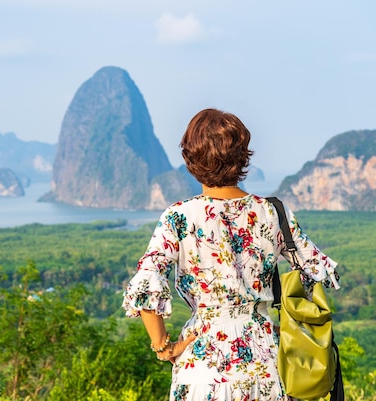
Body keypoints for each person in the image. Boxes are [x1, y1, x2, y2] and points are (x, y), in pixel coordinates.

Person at [121, 108, 340, 401]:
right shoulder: (272, 212)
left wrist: (164, 346)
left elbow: (146, 284)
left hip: (203, 365)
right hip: (268, 364)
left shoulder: (178, 217)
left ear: (190, 157)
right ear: (242, 156)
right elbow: (317, 271)